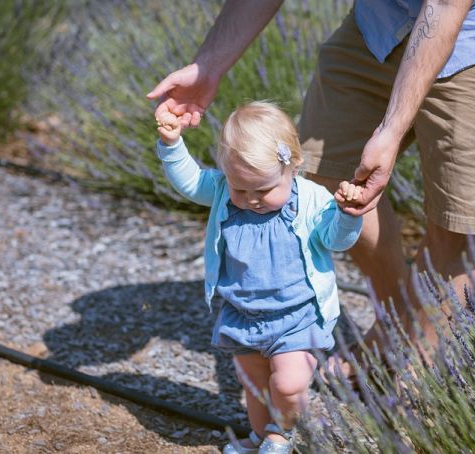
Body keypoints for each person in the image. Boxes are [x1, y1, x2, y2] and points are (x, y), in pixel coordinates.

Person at [148, 0, 475, 377]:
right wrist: (207, 66)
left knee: (458, 222)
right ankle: (397, 322)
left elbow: (446, 7)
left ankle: (417, 381)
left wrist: (391, 130)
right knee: (326, 174)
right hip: (383, 21)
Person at [155, 101, 363, 453]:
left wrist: (348, 216)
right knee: (254, 386)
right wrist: (172, 145)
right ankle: (259, 436)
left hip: (297, 316)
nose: (251, 200)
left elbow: (336, 240)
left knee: (290, 383)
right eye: (241, 189)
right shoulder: (223, 191)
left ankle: (281, 433)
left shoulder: (312, 200)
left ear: (293, 166)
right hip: (243, 313)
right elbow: (190, 183)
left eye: (263, 190)